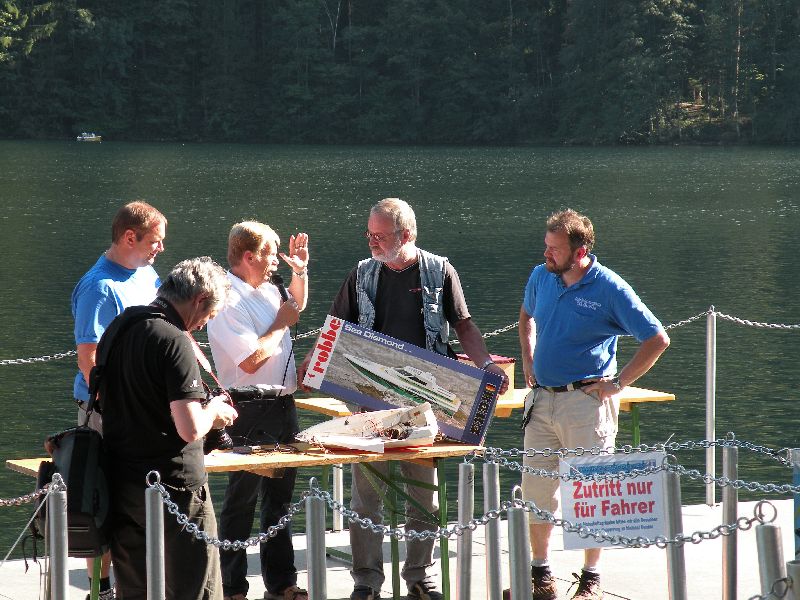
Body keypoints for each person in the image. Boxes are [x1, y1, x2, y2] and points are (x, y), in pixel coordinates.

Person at [301, 198, 509, 600]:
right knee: (366, 499)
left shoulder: (439, 271)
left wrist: (486, 364)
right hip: (368, 403)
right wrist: (312, 365)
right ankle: (366, 582)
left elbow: (464, 326)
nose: (372, 241)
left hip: (425, 405)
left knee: (423, 495)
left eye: (380, 235)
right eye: (369, 234)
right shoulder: (360, 273)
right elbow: (335, 327)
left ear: (407, 234)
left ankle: (419, 578)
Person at [518, 209, 670, 600]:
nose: (546, 254)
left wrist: (617, 383)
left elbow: (657, 339)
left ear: (580, 251)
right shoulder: (541, 276)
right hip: (541, 401)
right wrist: (529, 358)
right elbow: (526, 315)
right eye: (546, 246)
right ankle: (541, 573)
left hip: (585, 404)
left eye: (555, 249)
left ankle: (590, 578)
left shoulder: (609, 287)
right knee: (536, 490)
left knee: (591, 493)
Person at [99, 257, 239, 600]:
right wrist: (214, 410)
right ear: (200, 299)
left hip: (122, 482)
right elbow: (189, 428)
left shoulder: (119, 327)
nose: (204, 324)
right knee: (197, 588)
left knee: (136, 590)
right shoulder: (175, 340)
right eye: (209, 315)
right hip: (175, 486)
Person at [207, 222, 309, 600]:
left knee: (280, 500)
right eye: (271, 254)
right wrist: (282, 324)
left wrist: (301, 272)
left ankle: (281, 584)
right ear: (249, 257)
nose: (276, 261)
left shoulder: (268, 286)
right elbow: (250, 361)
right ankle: (232, 588)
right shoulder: (225, 299)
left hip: (283, 404)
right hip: (246, 407)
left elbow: (295, 305)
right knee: (242, 501)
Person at [70, 200, 167, 598]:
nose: (160, 248)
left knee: (138, 503)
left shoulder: (147, 274)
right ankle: (102, 590)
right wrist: (122, 403)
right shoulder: (99, 287)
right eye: (155, 241)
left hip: (145, 410)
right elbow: (89, 360)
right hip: (108, 413)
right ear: (130, 237)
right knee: (103, 503)